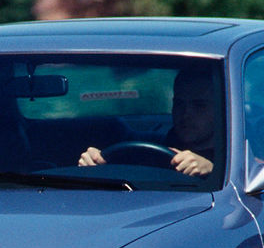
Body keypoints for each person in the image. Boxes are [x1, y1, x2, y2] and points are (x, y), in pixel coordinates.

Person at [77, 65, 221, 176]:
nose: (186, 113)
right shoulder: (147, 150)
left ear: (220, 110)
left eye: (200, 106)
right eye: (179, 103)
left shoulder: (236, 158)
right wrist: (93, 163)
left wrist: (212, 170)